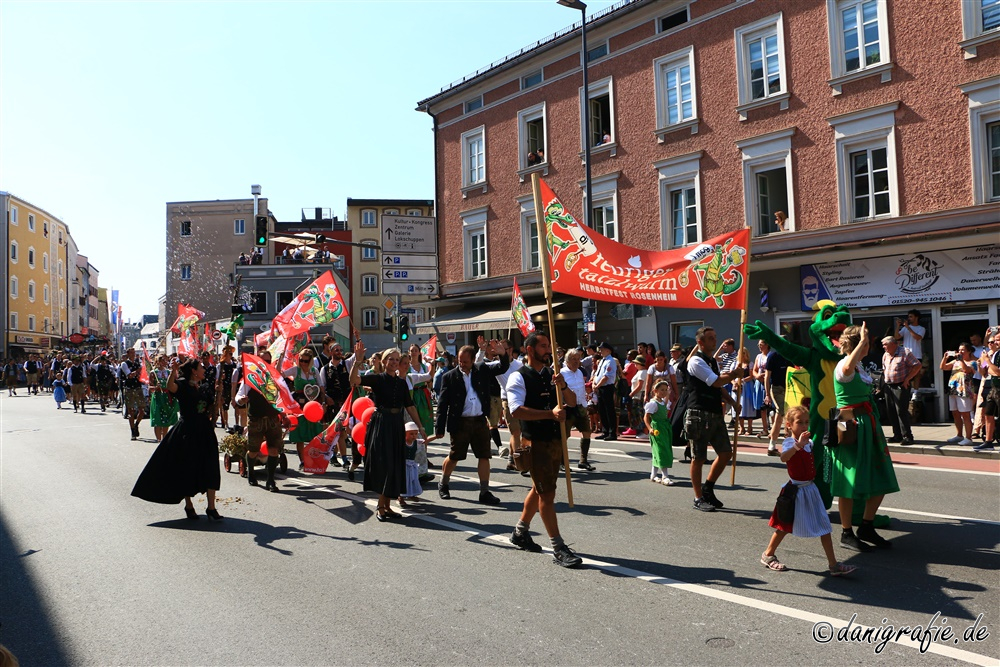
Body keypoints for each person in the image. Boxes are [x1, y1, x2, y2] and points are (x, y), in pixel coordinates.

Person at [506, 331, 583, 568]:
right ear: (530, 350)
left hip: (554, 440)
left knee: (539, 489)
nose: (548, 350)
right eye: (542, 346)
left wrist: (563, 386)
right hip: (535, 442)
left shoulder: (553, 374)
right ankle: (558, 547)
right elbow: (516, 410)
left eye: (548, 345)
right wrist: (549, 414)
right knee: (547, 494)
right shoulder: (517, 377)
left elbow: (571, 402)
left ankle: (520, 532)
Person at [761, 406, 858, 576]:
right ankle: (768, 555)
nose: (804, 426)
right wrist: (798, 445)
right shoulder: (790, 443)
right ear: (789, 425)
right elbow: (784, 458)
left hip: (810, 489)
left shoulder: (809, 442)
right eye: (799, 422)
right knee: (784, 526)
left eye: (806, 422)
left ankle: (833, 564)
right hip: (795, 491)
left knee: (824, 526)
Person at [829, 322, 899, 551]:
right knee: (849, 480)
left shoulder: (858, 366)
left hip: (868, 424)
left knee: (880, 475)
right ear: (857, 344)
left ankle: (867, 525)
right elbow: (847, 368)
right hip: (850, 427)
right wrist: (861, 341)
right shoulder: (844, 366)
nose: (869, 346)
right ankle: (847, 533)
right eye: (866, 343)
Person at [131, 357, 223, 521]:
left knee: (210, 466)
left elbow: (212, 407)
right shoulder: (182, 385)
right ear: (194, 371)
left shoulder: (205, 386)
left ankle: (211, 507)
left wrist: (219, 392)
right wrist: (173, 371)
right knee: (187, 468)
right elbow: (169, 386)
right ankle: (189, 505)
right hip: (187, 431)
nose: (204, 369)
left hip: (205, 430)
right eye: (201, 367)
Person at [350, 343, 430, 521]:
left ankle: (387, 506)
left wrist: (420, 427)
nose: (394, 362)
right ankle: (380, 506)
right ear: (384, 361)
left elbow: (410, 406)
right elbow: (354, 381)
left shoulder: (401, 383)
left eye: (396, 360)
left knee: (394, 464)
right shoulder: (377, 379)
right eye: (390, 359)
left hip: (396, 424)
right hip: (381, 423)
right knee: (384, 464)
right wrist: (357, 361)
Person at [435, 340, 509, 504]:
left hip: (480, 421)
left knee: (484, 456)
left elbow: (502, 368)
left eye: (466, 361)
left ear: (473, 359)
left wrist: (503, 354)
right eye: (459, 361)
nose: (462, 364)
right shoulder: (450, 377)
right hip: (460, 422)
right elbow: (442, 404)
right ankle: (444, 483)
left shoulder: (481, 369)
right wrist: (439, 427)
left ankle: (484, 492)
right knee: (454, 456)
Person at [686, 327, 744, 512]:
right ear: (701, 343)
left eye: (715, 337)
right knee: (699, 457)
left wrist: (732, 402)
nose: (714, 341)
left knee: (726, 453)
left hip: (715, 412)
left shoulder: (712, 362)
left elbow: (718, 388)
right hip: (698, 413)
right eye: (710, 338)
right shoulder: (696, 361)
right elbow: (715, 381)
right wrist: (735, 374)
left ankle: (708, 487)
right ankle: (698, 498)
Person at [232, 350, 285, 491]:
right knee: (253, 451)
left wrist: (285, 415)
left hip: (273, 419)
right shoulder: (250, 378)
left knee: (274, 450)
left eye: (268, 361)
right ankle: (251, 472)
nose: (265, 364)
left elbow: (283, 398)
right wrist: (241, 400)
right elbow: (239, 395)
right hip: (256, 419)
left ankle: (270, 480)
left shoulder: (274, 377)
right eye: (263, 361)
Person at [285, 347, 327, 470]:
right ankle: (302, 461)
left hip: (314, 407)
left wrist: (323, 402)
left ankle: (314, 459)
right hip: (300, 406)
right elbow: (280, 376)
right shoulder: (295, 370)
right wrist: (281, 359)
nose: (303, 363)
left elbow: (321, 387)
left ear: (310, 361)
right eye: (301, 360)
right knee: (300, 434)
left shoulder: (314, 371)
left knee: (315, 434)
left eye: (306, 361)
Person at [879, 336, 920, 446]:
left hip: (901, 385)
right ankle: (897, 435)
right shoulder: (885, 355)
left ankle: (908, 436)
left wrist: (908, 379)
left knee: (901, 411)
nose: (883, 347)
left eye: (885, 344)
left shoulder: (905, 352)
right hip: (888, 386)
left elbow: (917, 365)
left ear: (893, 344)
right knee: (891, 411)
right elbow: (884, 369)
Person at [561, 349, 594, 471]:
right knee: (564, 435)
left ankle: (583, 460)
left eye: (578, 359)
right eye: (573, 359)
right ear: (567, 361)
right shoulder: (562, 373)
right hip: (568, 407)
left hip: (580, 406)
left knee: (586, 432)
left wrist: (585, 403)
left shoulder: (580, 372)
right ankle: (562, 462)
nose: (576, 361)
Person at [940, 344, 978, 447]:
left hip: (965, 390)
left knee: (965, 414)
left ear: (969, 351)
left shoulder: (973, 362)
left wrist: (961, 360)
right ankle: (959, 435)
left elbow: (967, 370)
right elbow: (943, 367)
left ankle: (968, 438)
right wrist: (945, 358)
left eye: (963, 350)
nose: (960, 352)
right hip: (953, 390)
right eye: (959, 350)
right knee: (955, 413)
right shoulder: (955, 361)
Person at [644, 380, 674, 485]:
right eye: (662, 390)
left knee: (659, 451)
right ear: (655, 391)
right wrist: (650, 429)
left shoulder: (662, 402)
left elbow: (666, 402)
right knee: (662, 451)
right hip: (657, 429)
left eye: (666, 390)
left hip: (664, 428)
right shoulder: (653, 403)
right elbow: (646, 418)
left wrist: (668, 394)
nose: (664, 392)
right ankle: (665, 476)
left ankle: (653, 474)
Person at [763, 344, 790, 455]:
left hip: (789, 388)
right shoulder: (773, 356)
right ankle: (772, 446)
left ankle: (788, 444)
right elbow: (767, 376)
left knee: (789, 414)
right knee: (781, 412)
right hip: (777, 388)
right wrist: (767, 394)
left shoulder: (789, 355)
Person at [976, 331, 1000, 452]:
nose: (994, 343)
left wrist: (988, 363)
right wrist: (980, 364)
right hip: (992, 387)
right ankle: (988, 441)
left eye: (997, 340)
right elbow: (984, 372)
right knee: (988, 413)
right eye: (993, 341)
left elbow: (997, 372)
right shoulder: (992, 354)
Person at [149, 354, 179, 442]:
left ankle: (164, 439)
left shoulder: (169, 372)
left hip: (167, 397)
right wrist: (155, 387)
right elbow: (150, 387)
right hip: (158, 397)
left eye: (165, 360)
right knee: (158, 418)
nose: (164, 362)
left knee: (166, 419)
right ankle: (159, 440)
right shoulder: (153, 373)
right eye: (162, 360)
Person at [592, 341, 619, 441]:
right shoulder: (603, 360)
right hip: (600, 387)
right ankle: (605, 431)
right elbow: (597, 374)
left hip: (607, 387)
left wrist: (597, 385)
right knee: (602, 410)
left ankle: (612, 433)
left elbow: (606, 377)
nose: (600, 351)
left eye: (602, 349)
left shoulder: (610, 361)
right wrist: (594, 383)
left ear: (608, 350)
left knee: (609, 410)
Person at [406, 343, 435, 435]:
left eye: (416, 350)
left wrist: (430, 389)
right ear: (409, 353)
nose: (414, 352)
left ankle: (424, 440)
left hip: (423, 394)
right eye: (412, 351)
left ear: (419, 353)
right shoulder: (407, 367)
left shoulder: (424, 367)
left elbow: (429, 379)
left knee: (425, 416)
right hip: (412, 394)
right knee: (413, 418)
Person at [894, 310, 925, 387]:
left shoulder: (921, 328)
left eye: (911, 317)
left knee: (916, 374)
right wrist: (898, 326)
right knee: (906, 374)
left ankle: (915, 392)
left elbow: (917, 338)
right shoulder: (905, 329)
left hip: (916, 354)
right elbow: (897, 337)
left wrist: (908, 327)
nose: (909, 318)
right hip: (906, 355)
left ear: (916, 317)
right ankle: (908, 391)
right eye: (908, 317)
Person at [119, 349, 144, 439]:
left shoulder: (138, 363)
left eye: (134, 353)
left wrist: (143, 368)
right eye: (132, 353)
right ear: (128, 354)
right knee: (131, 411)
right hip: (129, 388)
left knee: (142, 410)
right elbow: (129, 375)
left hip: (138, 387)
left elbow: (142, 374)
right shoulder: (124, 364)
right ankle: (132, 430)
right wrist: (138, 371)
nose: (133, 354)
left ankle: (136, 424)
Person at [399, 421, 424, 507]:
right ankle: (400, 498)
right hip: (403, 465)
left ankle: (411, 494)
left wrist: (436, 436)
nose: (414, 436)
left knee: (413, 479)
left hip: (412, 464)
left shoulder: (417, 442)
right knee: (404, 481)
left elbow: (426, 441)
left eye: (415, 434)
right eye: (411, 434)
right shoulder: (402, 443)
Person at [216, 346, 238, 433]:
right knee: (225, 407)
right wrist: (221, 378)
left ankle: (237, 424)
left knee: (237, 406)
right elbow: (217, 378)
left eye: (230, 353)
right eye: (228, 353)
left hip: (233, 387)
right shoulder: (220, 365)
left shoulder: (234, 364)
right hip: (225, 388)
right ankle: (226, 424)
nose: (230, 355)